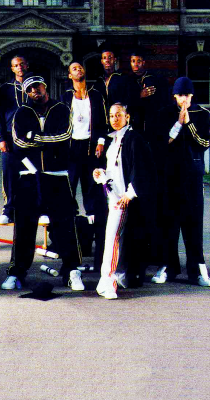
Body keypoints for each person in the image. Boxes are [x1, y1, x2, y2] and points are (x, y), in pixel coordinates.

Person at [1, 73, 83, 291]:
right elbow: (18, 142)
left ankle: (72, 271)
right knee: (24, 227)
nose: (34, 91)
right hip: (28, 177)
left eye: (37, 86)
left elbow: (65, 136)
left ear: (45, 86)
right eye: (29, 89)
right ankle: (16, 272)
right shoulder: (22, 112)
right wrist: (44, 140)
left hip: (57, 176)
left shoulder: (62, 109)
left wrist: (34, 137)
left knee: (65, 225)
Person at [93, 103, 156, 299]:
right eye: (112, 115)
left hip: (123, 199)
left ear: (127, 117)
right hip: (113, 197)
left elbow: (141, 168)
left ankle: (108, 282)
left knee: (112, 239)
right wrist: (101, 174)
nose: (115, 119)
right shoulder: (113, 140)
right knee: (114, 239)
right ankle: (112, 277)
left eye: (119, 115)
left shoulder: (134, 138)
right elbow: (115, 169)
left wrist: (130, 193)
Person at [152, 77, 210, 286]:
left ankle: (198, 269)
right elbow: (162, 143)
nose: (183, 99)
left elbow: (204, 143)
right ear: (174, 96)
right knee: (169, 223)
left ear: (192, 95)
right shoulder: (165, 113)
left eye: (186, 95)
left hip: (193, 177)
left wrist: (189, 123)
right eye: (179, 95)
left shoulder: (203, 114)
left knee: (193, 224)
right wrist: (178, 123)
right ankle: (168, 267)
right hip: (170, 176)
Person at [60, 60, 108, 271]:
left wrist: (100, 142)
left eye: (80, 67)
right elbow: (61, 123)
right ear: (69, 75)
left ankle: (93, 237)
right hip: (72, 149)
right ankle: (69, 238)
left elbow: (103, 121)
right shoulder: (65, 97)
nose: (78, 70)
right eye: (74, 68)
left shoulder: (96, 95)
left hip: (90, 147)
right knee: (69, 189)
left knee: (92, 191)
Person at [130, 47, 171, 270]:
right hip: (138, 141)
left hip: (154, 144)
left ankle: (157, 252)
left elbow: (159, 109)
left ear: (144, 62)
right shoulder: (129, 83)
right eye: (133, 61)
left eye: (139, 61)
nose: (136, 65)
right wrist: (139, 96)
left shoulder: (155, 81)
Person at [0, 55, 29, 224]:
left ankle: (33, 209)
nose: (19, 67)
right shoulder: (5, 88)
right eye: (16, 65)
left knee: (32, 173)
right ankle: (8, 209)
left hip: (30, 138)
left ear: (27, 65)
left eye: (22, 64)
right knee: (9, 174)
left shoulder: (34, 86)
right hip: (9, 138)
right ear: (12, 68)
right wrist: (0, 138)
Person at [93, 44, 139, 119]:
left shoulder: (123, 79)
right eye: (104, 58)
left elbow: (131, 100)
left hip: (119, 118)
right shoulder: (98, 81)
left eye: (110, 57)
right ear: (102, 61)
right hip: (102, 119)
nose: (107, 60)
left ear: (114, 60)